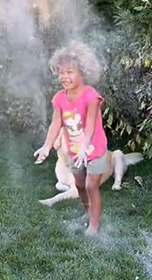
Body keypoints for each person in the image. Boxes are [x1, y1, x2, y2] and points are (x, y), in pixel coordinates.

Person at [34, 42, 108, 236]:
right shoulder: (59, 98)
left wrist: (85, 148)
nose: (64, 77)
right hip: (75, 151)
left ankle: (93, 224)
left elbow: (91, 124)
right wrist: (46, 146)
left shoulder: (91, 96)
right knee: (80, 186)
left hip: (95, 149)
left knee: (92, 186)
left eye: (70, 72)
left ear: (82, 72)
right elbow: (55, 124)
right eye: (61, 72)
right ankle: (86, 212)